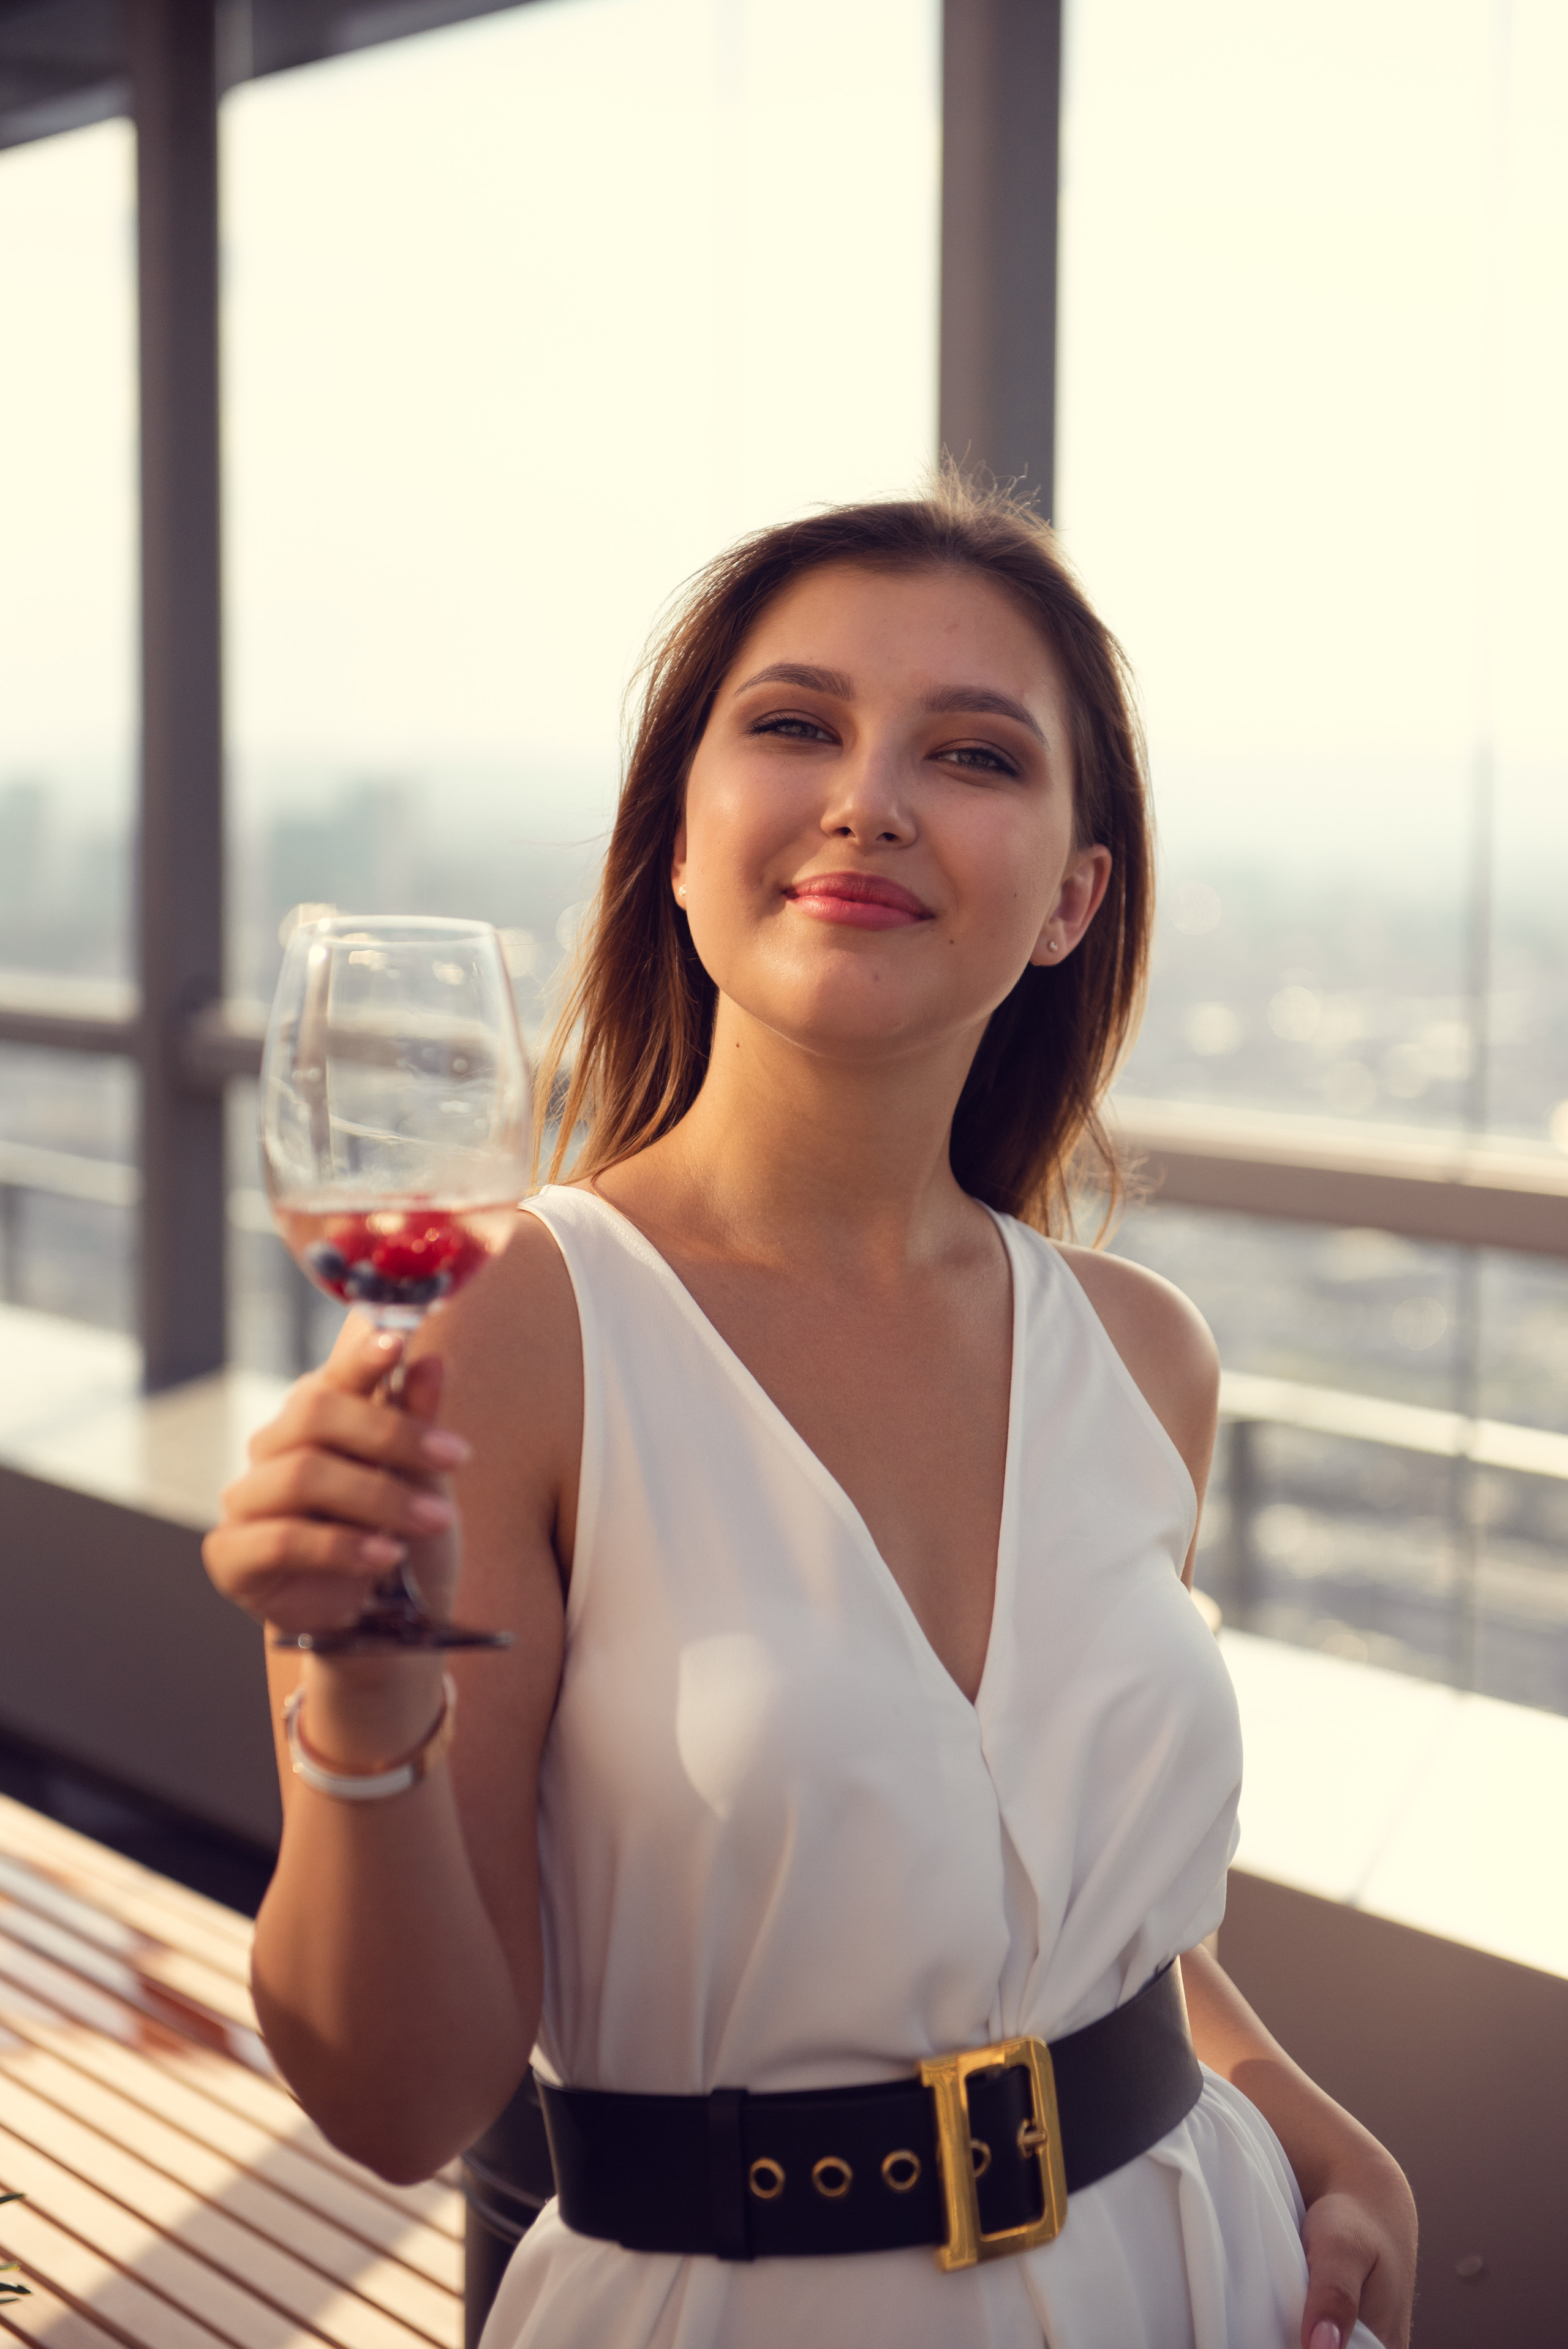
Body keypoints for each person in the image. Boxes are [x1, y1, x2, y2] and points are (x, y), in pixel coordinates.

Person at [204, 480, 1417, 2349]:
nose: (871, 796)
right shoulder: (515, 1330)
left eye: (974, 752)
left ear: (1072, 897)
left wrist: (1306, 2112)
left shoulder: (1143, 1353)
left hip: (1197, 2275)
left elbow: (1069, 1900)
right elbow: (399, 2103)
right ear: (678, 845)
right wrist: (356, 1711)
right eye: (794, 726)